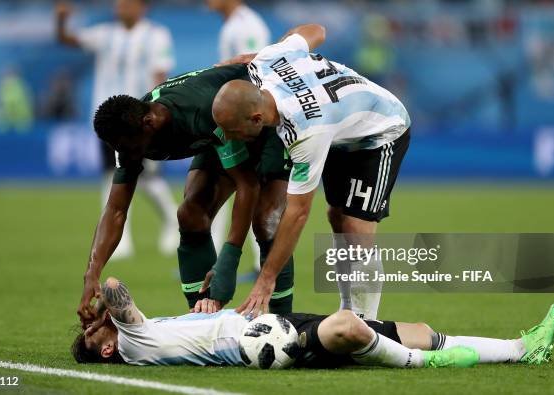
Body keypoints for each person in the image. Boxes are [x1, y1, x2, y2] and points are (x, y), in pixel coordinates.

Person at [212, 24, 411, 319]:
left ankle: (368, 325)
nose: (228, 137)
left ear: (256, 118)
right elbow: (316, 30)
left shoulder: (306, 132)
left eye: (232, 130)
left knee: (356, 228)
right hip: (340, 130)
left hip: (380, 131)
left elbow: (298, 212)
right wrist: (266, 52)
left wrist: (266, 280)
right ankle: (348, 312)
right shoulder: (266, 61)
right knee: (336, 216)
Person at [76, 65, 294, 330]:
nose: (128, 156)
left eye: (131, 148)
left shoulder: (200, 112)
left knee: (266, 220)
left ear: (150, 123)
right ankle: (201, 318)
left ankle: (285, 322)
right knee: (190, 214)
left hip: (258, 117)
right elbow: (116, 209)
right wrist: (93, 272)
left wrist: (229, 259)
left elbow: (247, 185)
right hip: (219, 135)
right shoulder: (129, 136)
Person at [71, 277, 554, 369]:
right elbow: (115, 286)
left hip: (259, 324)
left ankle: (520, 348)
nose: (97, 325)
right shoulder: (131, 340)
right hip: (262, 345)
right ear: (108, 348)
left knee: (414, 326)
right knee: (349, 325)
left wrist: (207, 312)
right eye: (95, 333)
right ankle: (416, 365)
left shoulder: (143, 335)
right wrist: (97, 300)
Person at [55, 0, 179, 258]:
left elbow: (160, 75)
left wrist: (154, 114)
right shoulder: (105, 34)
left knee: (148, 179)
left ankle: (173, 221)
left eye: (126, 3)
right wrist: (61, 20)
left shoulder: (156, 35)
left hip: (140, 120)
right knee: (112, 175)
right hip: (110, 121)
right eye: (118, 3)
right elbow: (67, 40)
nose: (120, 7)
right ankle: (120, 240)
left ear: (141, 6)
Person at [206, 0, 271, 279]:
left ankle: (261, 264)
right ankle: (218, 257)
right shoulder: (234, 23)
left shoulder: (247, 25)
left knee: (250, 186)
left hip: (246, 118)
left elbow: (255, 69)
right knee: (227, 185)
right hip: (236, 116)